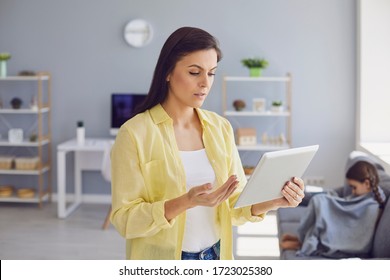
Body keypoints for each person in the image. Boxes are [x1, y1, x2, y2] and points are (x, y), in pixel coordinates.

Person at [110, 26, 305, 260]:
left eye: (211, 73)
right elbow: (125, 219)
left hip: (216, 256)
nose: (205, 83)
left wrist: (275, 200)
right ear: (168, 72)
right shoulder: (134, 133)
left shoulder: (220, 128)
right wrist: (186, 202)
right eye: (194, 72)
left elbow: (234, 205)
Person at [280, 160, 386, 258]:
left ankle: (304, 242)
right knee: (319, 201)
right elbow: (347, 204)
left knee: (320, 203)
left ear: (367, 184)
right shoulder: (360, 196)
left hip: (348, 240)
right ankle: (303, 239)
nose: (352, 191)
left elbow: (354, 225)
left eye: (354, 187)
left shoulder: (372, 207)